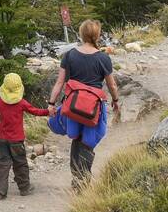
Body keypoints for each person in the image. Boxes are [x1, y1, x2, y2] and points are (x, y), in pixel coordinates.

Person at [48, 19, 121, 187]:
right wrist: (115, 101)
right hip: (93, 108)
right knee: (87, 141)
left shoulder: (70, 55)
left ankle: (77, 177)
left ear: (81, 34)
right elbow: (112, 84)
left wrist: (51, 103)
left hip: (73, 105)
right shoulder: (103, 58)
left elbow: (60, 83)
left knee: (76, 137)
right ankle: (83, 181)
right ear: (97, 35)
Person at [0, 72, 51, 199]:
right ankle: (24, 188)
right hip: (17, 140)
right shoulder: (22, 103)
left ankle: (0, 192)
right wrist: (48, 112)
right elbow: (35, 111)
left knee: (3, 165)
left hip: (3, 139)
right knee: (20, 163)